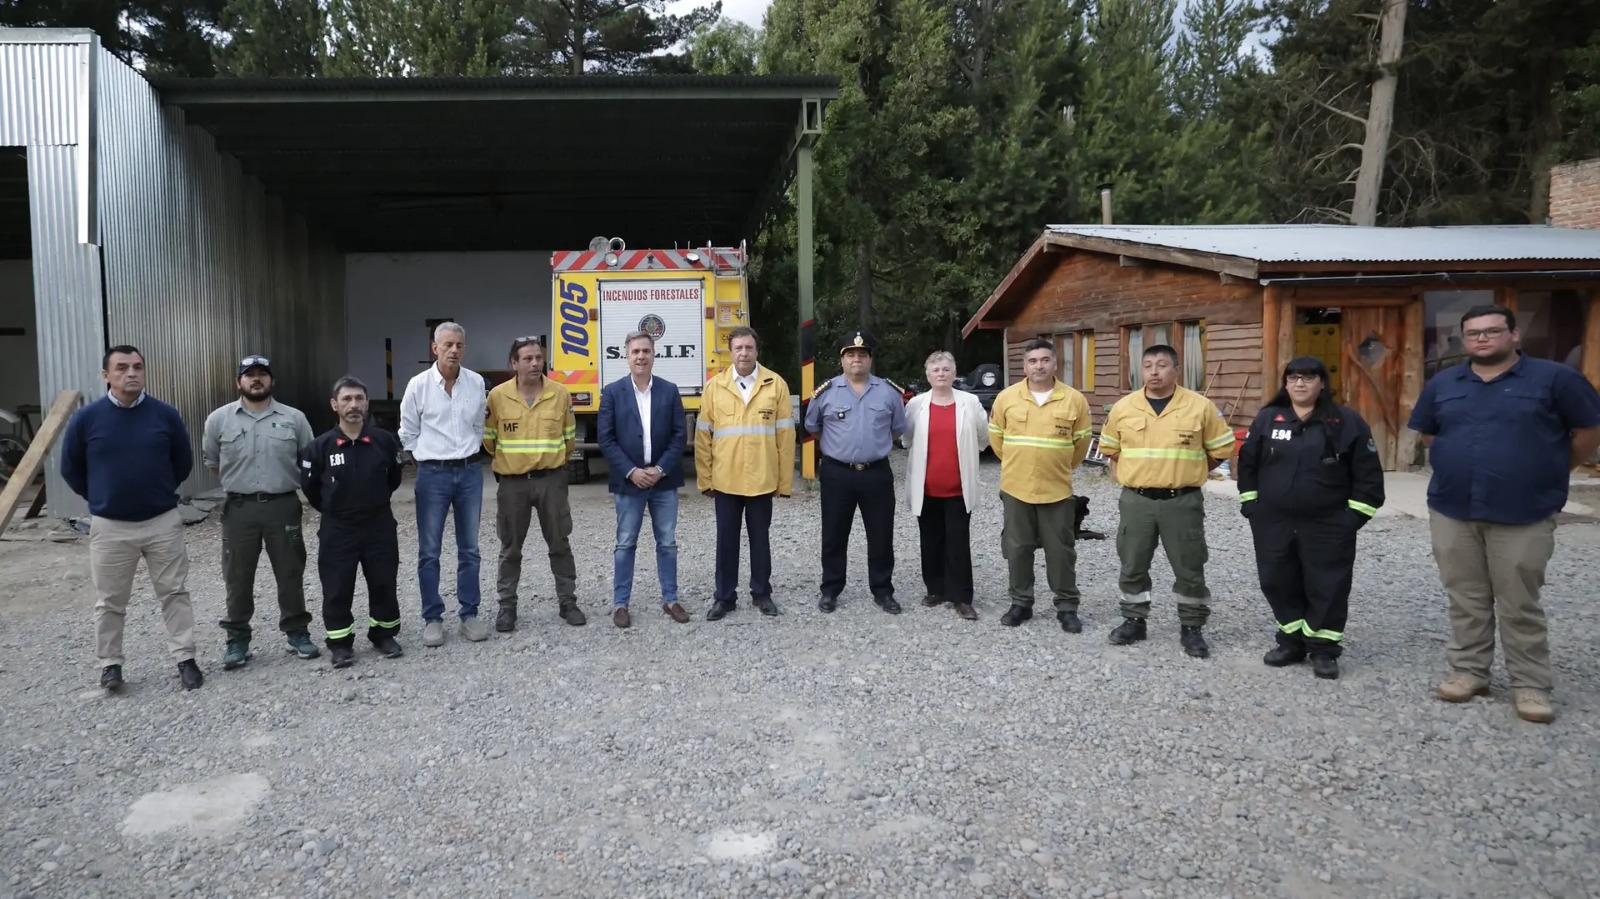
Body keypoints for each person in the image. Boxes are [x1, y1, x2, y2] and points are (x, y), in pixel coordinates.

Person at [1409, 304, 1600, 723]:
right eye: (1473, 333)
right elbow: (1429, 434)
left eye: (1492, 331)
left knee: (1518, 601)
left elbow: (1588, 431)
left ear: (1514, 335)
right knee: (1465, 596)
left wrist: (1551, 469)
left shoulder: (1555, 379)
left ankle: (1530, 684)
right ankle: (1469, 671)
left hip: (1524, 510)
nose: (1482, 338)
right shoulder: (1444, 383)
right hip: (1453, 507)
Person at [60, 345, 203, 691]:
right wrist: (102, 497)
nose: (131, 373)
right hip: (111, 526)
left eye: (137, 367)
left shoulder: (165, 415)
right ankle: (110, 665)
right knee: (110, 601)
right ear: (106, 375)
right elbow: (71, 468)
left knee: (174, 592)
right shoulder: (87, 419)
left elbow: (182, 462)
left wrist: (158, 491)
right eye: (122, 368)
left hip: (161, 522)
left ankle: (185, 658)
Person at [1237, 357, 1385, 680]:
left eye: (1308, 377)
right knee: (1277, 579)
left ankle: (1323, 649)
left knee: (1327, 584)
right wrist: (1251, 506)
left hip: (1328, 524)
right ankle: (1291, 641)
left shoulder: (1345, 422)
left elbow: (1369, 476)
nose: (1300, 384)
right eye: (1293, 378)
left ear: (1322, 383)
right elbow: (1247, 465)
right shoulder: (1268, 419)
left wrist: (1352, 519)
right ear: (1285, 384)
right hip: (1273, 523)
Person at [1099, 344, 1236, 658]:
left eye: (1162, 365)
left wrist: (1190, 471)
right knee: (1132, 563)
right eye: (1148, 365)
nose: (1154, 372)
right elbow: (1111, 448)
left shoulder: (1200, 407)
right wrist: (1141, 471)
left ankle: (1192, 626)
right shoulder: (1124, 407)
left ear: (1176, 370)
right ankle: (1134, 620)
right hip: (1137, 501)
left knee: (1189, 566)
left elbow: (1220, 450)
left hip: (1182, 501)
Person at [201, 355, 318, 670]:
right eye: (249, 374)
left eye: (262, 374)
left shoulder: (294, 419)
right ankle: (237, 640)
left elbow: (309, 460)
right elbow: (214, 463)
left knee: (290, 572)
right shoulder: (219, 420)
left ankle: (297, 632)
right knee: (237, 576)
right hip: (239, 509)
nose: (256, 379)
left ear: (272, 381)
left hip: (283, 506)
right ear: (238, 382)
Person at [988, 339, 1093, 631]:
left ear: (1055, 364)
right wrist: (1019, 464)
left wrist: (1057, 466)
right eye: (1033, 361)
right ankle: (1021, 602)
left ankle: (1067, 606)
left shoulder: (1074, 400)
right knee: (1018, 548)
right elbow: (997, 440)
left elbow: (1080, 445)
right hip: (1016, 488)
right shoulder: (1007, 398)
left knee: (1061, 551)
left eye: (1045, 360)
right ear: (1024, 366)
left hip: (1056, 490)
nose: (1039, 366)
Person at [301, 377, 406, 668]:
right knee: (337, 587)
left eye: (359, 398)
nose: (353, 405)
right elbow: (311, 488)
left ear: (367, 403)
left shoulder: (384, 441)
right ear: (334, 405)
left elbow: (394, 479)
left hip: (378, 524)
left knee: (383, 582)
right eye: (346, 399)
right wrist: (336, 510)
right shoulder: (319, 447)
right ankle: (340, 643)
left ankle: (384, 634)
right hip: (338, 528)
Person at [483, 337, 585, 631]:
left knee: (560, 543)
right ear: (513, 363)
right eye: (527, 359)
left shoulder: (560, 394)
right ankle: (507, 607)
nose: (535, 363)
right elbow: (489, 441)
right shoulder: (498, 396)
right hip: (512, 485)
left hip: (551, 481)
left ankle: (568, 602)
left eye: (538, 358)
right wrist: (514, 463)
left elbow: (569, 439)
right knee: (510, 547)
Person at [399, 321, 489, 648]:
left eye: (459, 345)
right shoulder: (418, 386)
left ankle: (469, 614)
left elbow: (479, 424)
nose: (454, 350)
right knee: (429, 550)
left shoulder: (476, 383)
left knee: (470, 549)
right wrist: (427, 462)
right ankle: (432, 618)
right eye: (447, 345)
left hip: (469, 473)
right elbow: (408, 432)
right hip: (432, 475)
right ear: (434, 348)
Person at [805, 330, 908, 614]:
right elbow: (813, 427)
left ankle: (883, 591)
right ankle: (830, 590)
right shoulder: (826, 392)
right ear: (842, 360)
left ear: (870, 359)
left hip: (877, 473)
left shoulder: (888, 392)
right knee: (834, 534)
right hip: (837, 473)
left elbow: (897, 429)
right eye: (850, 354)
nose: (856, 359)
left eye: (862, 354)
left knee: (881, 534)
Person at [696, 326, 795, 621]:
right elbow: (703, 437)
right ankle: (724, 597)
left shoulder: (775, 385)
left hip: (762, 479)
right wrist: (705, 479)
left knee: (760, 540)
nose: (743, 353)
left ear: (757, 350)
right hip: (725, 480)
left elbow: (786, 438)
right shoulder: (715, 387)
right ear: (730, 352)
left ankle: (762, 594)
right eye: (738, 348)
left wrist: (784, 483)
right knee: (726, 542)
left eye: (749, 348)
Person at [598, 330, 689, 629]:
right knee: (625, 544)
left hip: (663, 481)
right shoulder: (612, 392)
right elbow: (606, 439)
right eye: (635, 352)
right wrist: (632, 471)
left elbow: (679, 436)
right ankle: (621, 604)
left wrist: (660, 470)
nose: (641, 356)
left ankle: (671, 600)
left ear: (654, 355)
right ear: (626, 356)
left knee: (668, 543)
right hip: (629, 482)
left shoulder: (669, 390)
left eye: (646, 351)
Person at [901, 350, 991, 621]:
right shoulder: (916, 404)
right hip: (926, 488)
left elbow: (983, 436)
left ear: (954, 373)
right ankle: (936, 589)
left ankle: (961, 597)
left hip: (958, 489)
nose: (941, 374)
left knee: (958, 543)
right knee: (930, 541)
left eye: (945, 369)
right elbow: (907, 438)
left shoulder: (969, 402)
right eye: (935, 370)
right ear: (928, 375)